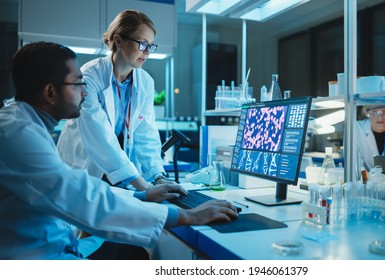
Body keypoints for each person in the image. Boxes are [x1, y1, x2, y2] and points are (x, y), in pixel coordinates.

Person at [0, 41, 238, 260]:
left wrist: (143, 195)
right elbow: (80, 196)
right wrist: (187, 216)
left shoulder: (26, 125)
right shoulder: (17, 135)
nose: (84, 91)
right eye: (78, 83)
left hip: (50, 246)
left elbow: (82, 186)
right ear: (50, 92)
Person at [57, 10, 177, 195]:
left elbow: (146, 132)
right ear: (119, 41)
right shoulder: (90, 76)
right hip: (83, 167)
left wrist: (158, 176)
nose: (147, 52)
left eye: (151, 46)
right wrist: (143, 187)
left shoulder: (145, 82)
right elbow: (99, 138)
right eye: (142, 44)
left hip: (118, 174)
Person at [355, 105, 385, 171]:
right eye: (374, 111)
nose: (380, 117)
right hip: (365, 180)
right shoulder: (356, 130)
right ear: (366, 112)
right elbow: (356, 166)